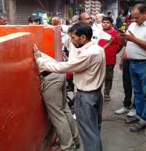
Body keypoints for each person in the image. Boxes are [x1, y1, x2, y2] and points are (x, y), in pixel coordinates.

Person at [34, 22, 106, 151]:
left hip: (86, 97)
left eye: (73, 38)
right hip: (95, 94)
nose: (71, 40)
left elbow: (64, 67)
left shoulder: (88, 54)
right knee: (94, 129)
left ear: (83, 38)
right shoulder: (97, 49)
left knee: (89, 134)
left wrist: (40, 60)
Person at [118, 3, 146, 132]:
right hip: (132, 63)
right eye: (133, 17)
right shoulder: (133, 25)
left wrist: (133, 39)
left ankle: (144, 119)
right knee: (137, 92)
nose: (134, 20)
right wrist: (123, 38)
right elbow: (127, 43)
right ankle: (139, 115)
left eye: (137, 17)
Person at [37, 66, 80, 150]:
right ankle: (76, 140)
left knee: (58, 115)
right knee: (64, 108)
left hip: (49, 78)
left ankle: (68, 147)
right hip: (58, 73)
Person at [98, 16, 123, 101]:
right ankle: (97, 93)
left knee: (108, 77)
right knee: (98, 76)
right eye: (104, 22)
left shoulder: (114, 33)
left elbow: (120, 44)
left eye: (107, 22)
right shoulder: (98, 32)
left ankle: (106, 93)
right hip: (98, 59)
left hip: (110, 59)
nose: (105, 24)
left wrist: (114, 52)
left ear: (111, 24)